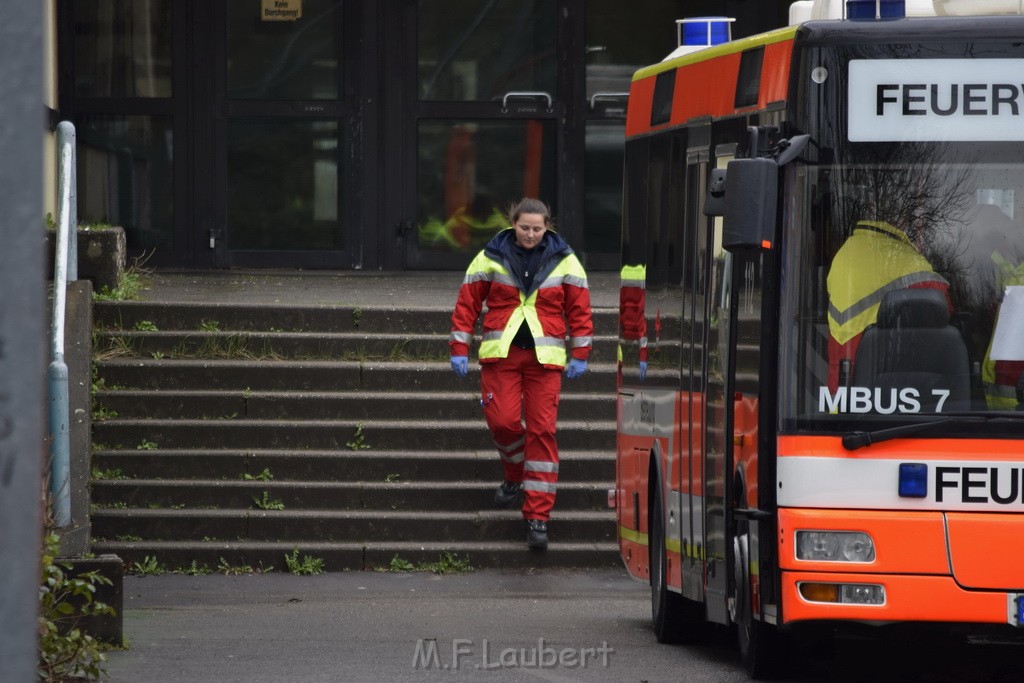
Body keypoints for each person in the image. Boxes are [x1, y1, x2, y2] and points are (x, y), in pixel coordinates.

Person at [449, 198, 593, 551]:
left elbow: (580, 308)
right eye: (524, 227)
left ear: (547, 227)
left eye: (537, 228)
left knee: (542, 432)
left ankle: (538, 517)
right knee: (502, 423)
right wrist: (458, 347)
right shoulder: (490, 256)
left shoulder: (566, 260)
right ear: (513, 223)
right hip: (502, 355)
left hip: (546, 359)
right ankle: (515, 475)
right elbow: (467, 302)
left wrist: (581, 353)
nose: (530, 234)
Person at [826, 219, 949, 391]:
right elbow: (942, 304)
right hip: (883, 377)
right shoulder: (899, 256)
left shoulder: (845, 252)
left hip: (841, 375)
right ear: (900, 223)